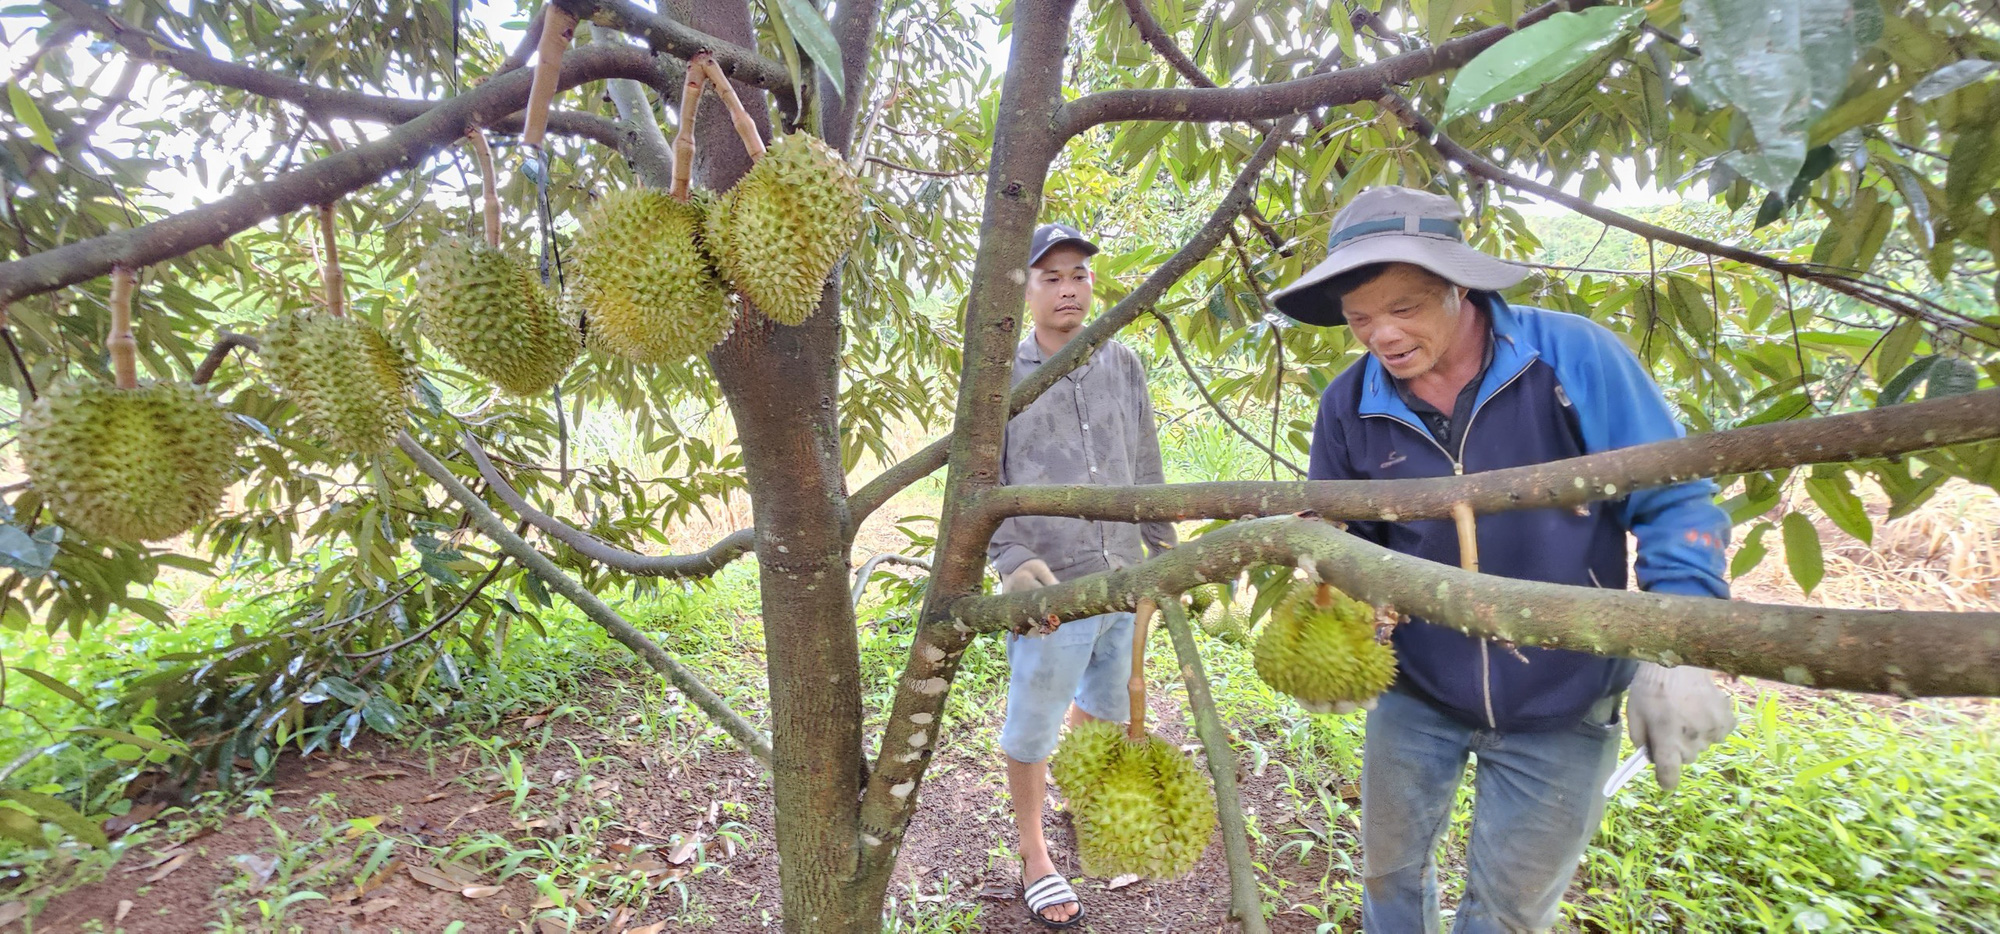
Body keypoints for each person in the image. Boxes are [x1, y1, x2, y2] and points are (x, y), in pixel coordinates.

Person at [1267, 186, 1739, 933]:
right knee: (1389, 877)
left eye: (1407, 307)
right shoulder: (1347, 403)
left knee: (1509, 911)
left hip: (1565, 697)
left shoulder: (1573, 360)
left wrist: (1680, 646)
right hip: (1417, 691)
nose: (1381, 335)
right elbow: (1348, 543)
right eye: (1361, 318)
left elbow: (1673, 499)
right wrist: (1335, 619)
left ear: (1461, 286)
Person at [988, 222, 1177, 928]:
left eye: (1080, 276)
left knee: (1102, 697)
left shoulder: (1120, 363)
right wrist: (1008, 559)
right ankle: (1035, 853)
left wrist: (1161, 547)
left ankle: (1078, 799)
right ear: (1025, 288)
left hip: (1123, 573)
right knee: (1033, 725)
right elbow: (980, 479)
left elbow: (1146, 458)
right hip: (1051, 583)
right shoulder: (1000, 376)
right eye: (1052, 277)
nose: (1069, 289)